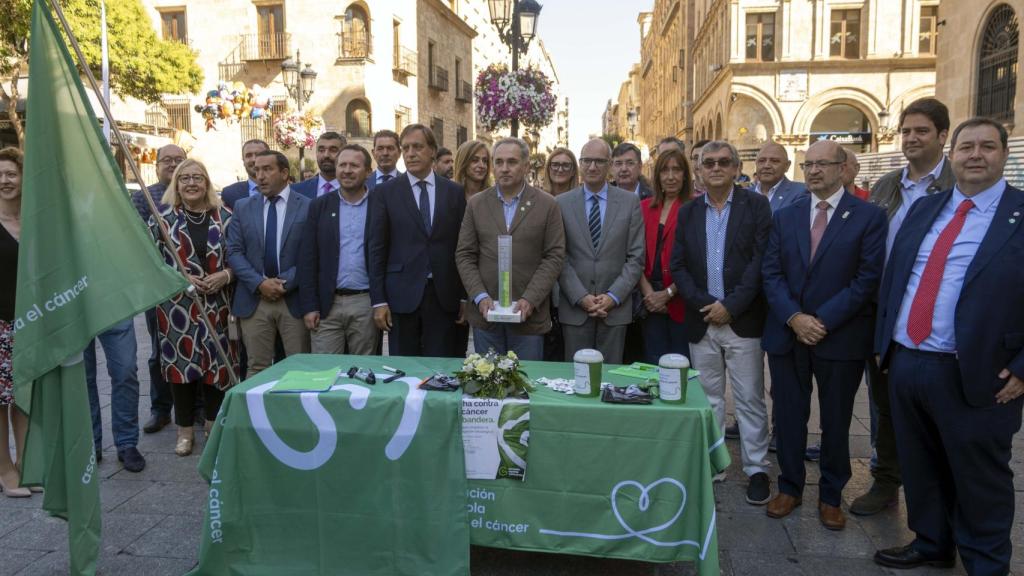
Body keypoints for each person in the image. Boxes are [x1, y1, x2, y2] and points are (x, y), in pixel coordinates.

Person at [872, 117, 1024, 574]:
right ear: (951, 153)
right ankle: (932, 541)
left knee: (980, 477)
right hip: (908, 360)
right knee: (919, 463)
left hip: (978, 371)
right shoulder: (926, 208)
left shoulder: (1019, 214)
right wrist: (885, 345)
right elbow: (898, 275)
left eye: (987, 147)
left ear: (1004, 154)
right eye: (967, 147)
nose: (976, 155)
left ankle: (985, 563)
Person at [762, 140, 887, 531]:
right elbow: (771, 273)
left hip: (840, 337)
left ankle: (831, 495)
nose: (813, 171)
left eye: (822, 164)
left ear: (843, 167)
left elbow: (866, 279)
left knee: (836, 420)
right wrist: (795, 318)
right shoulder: (786, 215)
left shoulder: (868, 217)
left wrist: (821, 320)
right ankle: (790, 486)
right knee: (789, 415)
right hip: (789, 334)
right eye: (808, 164)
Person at [852, 98, 956, 517]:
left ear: (943, 136)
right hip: (883, 311)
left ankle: (939, 493)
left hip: (936, 313)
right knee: (884, 401)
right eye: (906, 131)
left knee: (937, 407)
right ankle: (886, 479)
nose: (911, 139)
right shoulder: (886, 186)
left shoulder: (956, 184)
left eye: (922, 131)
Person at [671, 141, 773, 505]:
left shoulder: (756, 206)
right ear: (698, 170)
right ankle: (714, 464)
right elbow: (678, 266)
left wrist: (730, 306)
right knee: (709, 398)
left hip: (742, 321)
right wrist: (705, 304)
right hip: (702, 320)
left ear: (736, 168)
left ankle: (757, 468)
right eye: (708, 162)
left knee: (748, 398)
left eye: (723, 162)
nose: (715, 168)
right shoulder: (688, 212)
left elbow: (760, 264)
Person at [149, 159, 239, 457]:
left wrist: (224, 276)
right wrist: (181, 278)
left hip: (218, 304)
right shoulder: (161, 219)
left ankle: (213, 425)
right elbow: (150, 263)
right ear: (176, 184)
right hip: (177, 308)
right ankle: (184, 431)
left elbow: (240, 259)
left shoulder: (226, 217)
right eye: (184, 178)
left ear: (207, 182)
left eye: (197, 177)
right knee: (181, 371)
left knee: (217, 367)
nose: (191, 183)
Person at [455, 137, 565, 360]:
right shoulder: (477, 204)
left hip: (528, 318)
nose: (504, 168)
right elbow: (465, 254)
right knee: (488, 383)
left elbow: (554, 256)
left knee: (525, 384)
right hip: (487, 316)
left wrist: (531, 299)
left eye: (512, 162)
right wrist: (479, 296)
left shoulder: (547, 204)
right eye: (498, 162)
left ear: (526, 166)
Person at [368, 124, 467, 357]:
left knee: (442, 367)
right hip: (401, 295)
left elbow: (462, 247)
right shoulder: (385, 193)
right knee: (405, 370)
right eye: (406, 148)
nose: (410, 153)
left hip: (444, 295)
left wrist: (464, 296)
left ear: (433, 150)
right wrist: (379, 301)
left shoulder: (453, 192)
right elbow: (376, 249)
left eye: (417, 147)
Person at [556, 138, 644, 364]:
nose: (592, 167)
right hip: (575, 309)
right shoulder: (561, 203)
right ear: (580, 163)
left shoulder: (629, 203)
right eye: (587, 161)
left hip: (615, 310)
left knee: (609, 382)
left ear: (610, 165)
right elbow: (558, 256)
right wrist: (581, 297)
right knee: (576, 380)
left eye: (599, 161)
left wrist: (613, 297)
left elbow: (635, 257)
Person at [226, 150, 311, 375]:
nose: (260, 176)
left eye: (267, 169)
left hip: (293, 298)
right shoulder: (243, 207)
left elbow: (312, 254)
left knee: (300, 369)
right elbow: (234, 251)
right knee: (256, 368)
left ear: (284, 173)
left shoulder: (308, 206)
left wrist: (286, 282)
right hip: (255, 299)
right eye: (256, 170)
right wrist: (259, 283)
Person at [298, 144, 379, 355]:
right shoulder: (319, 206)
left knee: (364, 372)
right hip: (327, 305)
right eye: (342, 165)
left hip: (365, 303)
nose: (347, 170)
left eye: (354, 165)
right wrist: (309, 305)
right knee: (325, 373)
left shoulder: (380, 205)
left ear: (368, 172)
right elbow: (308, 258)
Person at [132, 144, 181, 435]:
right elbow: (139, 239)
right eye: (167, 160)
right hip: (158, 288)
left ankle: (198, 408)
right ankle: (160, 409)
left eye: (179, 160)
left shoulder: (194, 190)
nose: (173, 165)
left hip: (193, 286)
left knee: (197, 347)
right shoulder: (143, 196)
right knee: (159, 351)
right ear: (157, 165)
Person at [638, 147, 690, 364]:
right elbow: (634, 254)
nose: (670, 176)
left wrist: (668, 294)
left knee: (680, 365)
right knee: (652, 364)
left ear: (685, 175)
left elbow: (696, 260)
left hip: (681, 299)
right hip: (649, 301)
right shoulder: (643, 208)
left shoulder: (694, 207)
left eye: (676, 170)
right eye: (664, 170)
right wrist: (649, 292)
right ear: (656, 175)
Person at [0, 147, 30, 497]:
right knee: (0, 401)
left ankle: (25, 464)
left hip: (28, 324)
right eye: (0, 175)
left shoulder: (33, 222)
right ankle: (5, 470)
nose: (5, 180)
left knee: (24, 398)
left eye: (11, 173)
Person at [292, 131, 347, 200]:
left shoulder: (357, 190)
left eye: (333, 150)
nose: (326, 155)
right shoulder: (296, 191)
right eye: (321, 150)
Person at [754, 142, 807, 212]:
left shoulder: (801, 192)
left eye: (774, 161)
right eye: (761, 161)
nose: (766, 166)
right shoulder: (743, 194)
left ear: (787, 166)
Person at [221, 139, 270, 210]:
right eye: (248, 155)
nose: (253, 159)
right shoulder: (229, 194)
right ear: (243, 161)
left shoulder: (287, 190)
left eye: (258, 154)